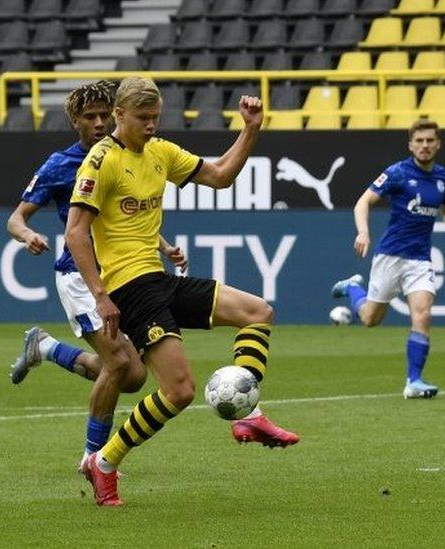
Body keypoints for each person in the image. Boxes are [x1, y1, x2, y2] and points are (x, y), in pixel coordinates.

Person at [65, 76, 299, 506]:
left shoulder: (161, 152)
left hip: (158, 279)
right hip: (129, 288)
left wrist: (250, 129)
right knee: (179, 391)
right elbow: (76, 232)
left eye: (156, 118)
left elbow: (222, 175)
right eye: (143, 118)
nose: (152, 125)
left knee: (258, 311)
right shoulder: (101, 161)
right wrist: (100, 294)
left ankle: (247, 414)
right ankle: (104, 464)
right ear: (119, 115)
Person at [6, 81, 188, 469]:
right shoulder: (60, 165)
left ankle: (46, 348)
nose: (100, 122)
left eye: (105, 115)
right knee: (120, 364)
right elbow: (15, 219)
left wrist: (163, 246)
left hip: (124, 274)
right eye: (90, 117)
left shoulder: (128, 157)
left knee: (133, 376)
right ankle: (94, 457)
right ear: (75, 121)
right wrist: (29, 235)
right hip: (79, 277)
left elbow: (125, 216)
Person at [331, 118, 445, 399]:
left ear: (438, 144)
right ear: (410, 145)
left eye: (430, 140)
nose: (424, 146)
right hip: (391, 256)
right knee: (370, 319)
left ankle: (414, 381)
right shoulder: (397, 173)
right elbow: (364, 201)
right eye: (419, 141)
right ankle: (352, 287)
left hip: (420, 260)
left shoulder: (443, 177)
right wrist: (363, 232)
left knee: (422, 314)